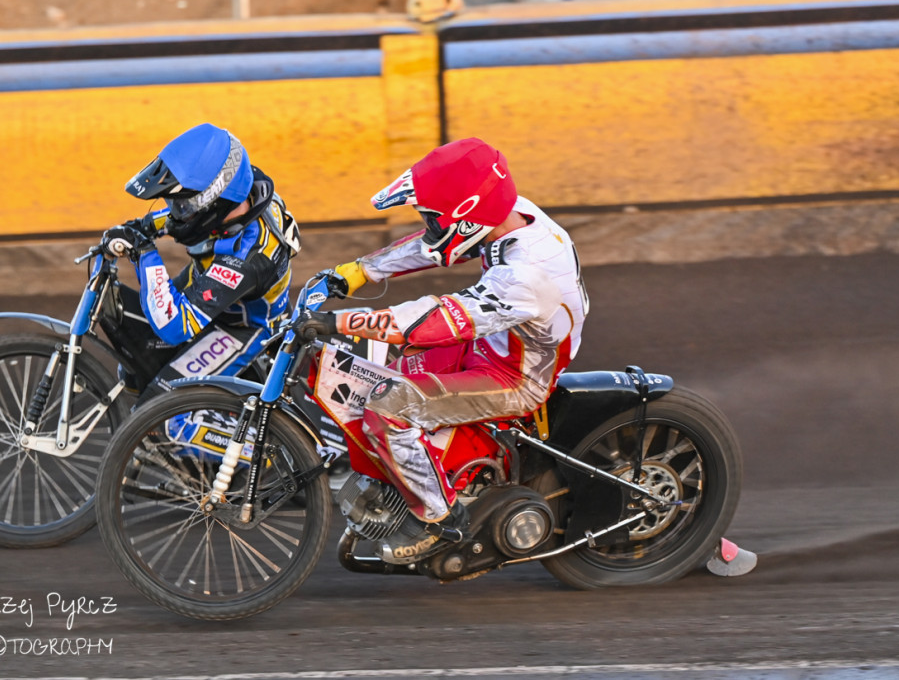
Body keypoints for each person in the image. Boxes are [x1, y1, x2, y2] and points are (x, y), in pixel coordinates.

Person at [295, 137, 589, 563]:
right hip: (493, 344)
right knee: (385, 372)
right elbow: (435, 245)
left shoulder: (526, 274)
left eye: (433, 218)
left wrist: (337, 321)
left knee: (388, 411)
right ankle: (432, 472)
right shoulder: (511, 212)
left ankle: (439, 519)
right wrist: (359, 271)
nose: (428, 226)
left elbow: (435, 320)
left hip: (516, 377)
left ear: (467, 218)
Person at [99, 122, 301, 401]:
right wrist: (141, 226)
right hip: (216, 290)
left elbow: (174, 326)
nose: (175, 214)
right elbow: (185, 217)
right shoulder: (240, 197)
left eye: (182, 207)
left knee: (160, 412)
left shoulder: (247, 259)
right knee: (137, 367)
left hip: (243, 327)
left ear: (215, 202)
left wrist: (144, 252)